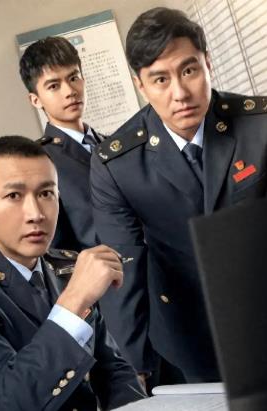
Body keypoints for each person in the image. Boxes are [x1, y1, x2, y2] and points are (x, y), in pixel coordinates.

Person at [90, 7, 267, 385]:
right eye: (160, 79)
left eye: (189, 70)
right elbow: (124, 268)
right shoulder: (117, 164)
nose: (180, 93)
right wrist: (137, 366)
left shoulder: (259, 125)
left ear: (208, 63)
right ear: (140, 85)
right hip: (189, 338)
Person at [0, 136, 145, 411]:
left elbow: (114, 372)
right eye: (13, 196)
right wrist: (74, 300)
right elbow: (5, 403)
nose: (35, 214)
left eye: (46, 194)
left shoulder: (66, 269)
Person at [19, 36, 105, 251]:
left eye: (74, 77)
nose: (70, 91)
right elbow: (55, 248)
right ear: (35, 100)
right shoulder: (39, 162)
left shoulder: (112, 144)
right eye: (54, 85)